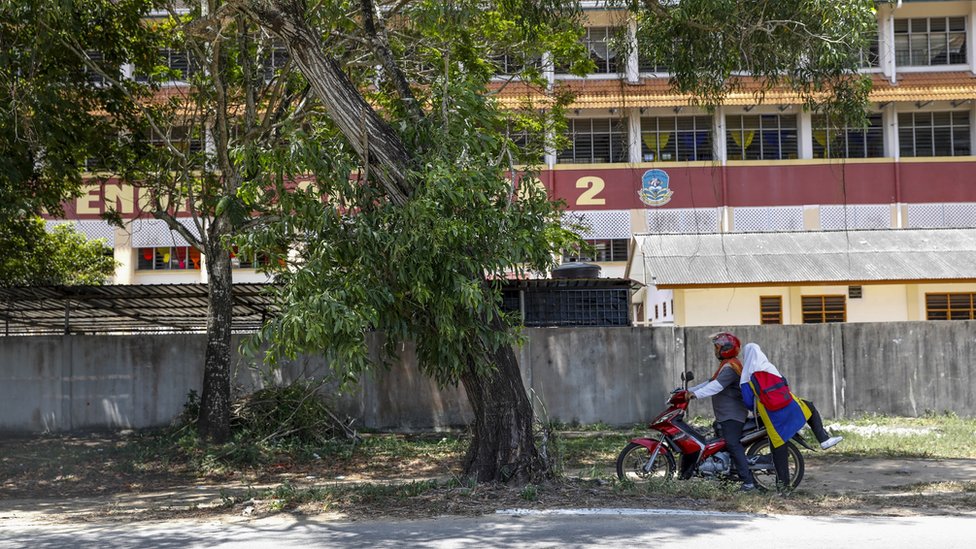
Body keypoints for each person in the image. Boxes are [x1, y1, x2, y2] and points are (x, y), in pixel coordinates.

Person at [739, 343, 843, 493]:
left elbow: (748, 402)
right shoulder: (769, 367)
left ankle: (784, 489)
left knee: (779, 450)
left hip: (773, 416)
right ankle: (824, 439)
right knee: (809, 407)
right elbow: (785, 385)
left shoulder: (746, 377)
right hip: (790, 407)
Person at [687, 332, 757, 492]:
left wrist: (694, 395)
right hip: (726, 415)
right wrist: (687, 391)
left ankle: (748, 483)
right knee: (721, 444)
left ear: (726, 349)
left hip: (733, 416)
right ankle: (725, 477)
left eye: (717, 347)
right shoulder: (727, 365)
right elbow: (709, 383)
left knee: (732, 444)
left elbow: (715, 387)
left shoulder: (731, 368)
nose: (715, 351)